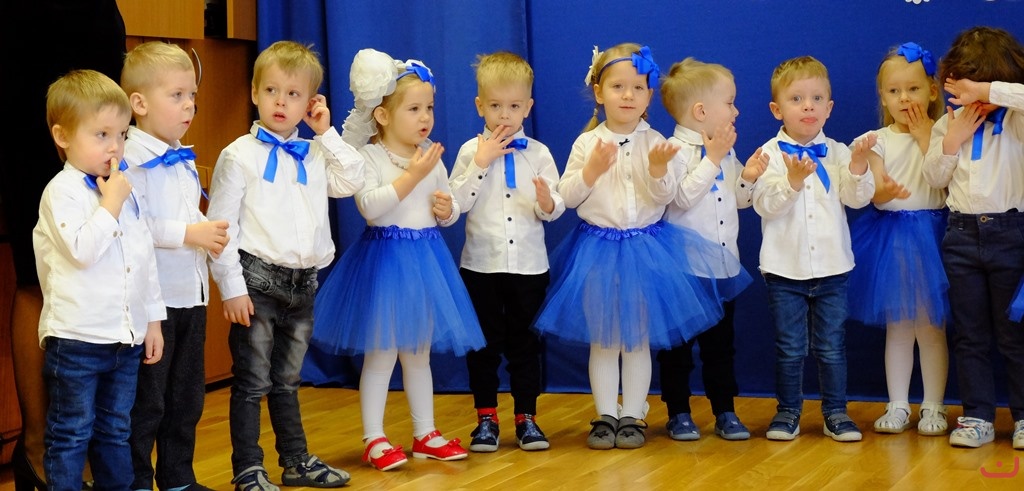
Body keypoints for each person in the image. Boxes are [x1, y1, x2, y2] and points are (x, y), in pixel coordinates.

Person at [532, 43, 724, 450]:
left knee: (636, 339)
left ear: (649, 95)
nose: (628, 95)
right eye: (617, 86)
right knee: (604, 339)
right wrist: (591, 170)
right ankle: (606, 414)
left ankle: (634, 413)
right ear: (599, 92)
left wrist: (657, 169)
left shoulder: (656, 140)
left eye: (638, 88)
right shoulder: (587, 142)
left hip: (645, 250)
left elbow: (666, 197)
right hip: (597, 250)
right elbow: (569, 196)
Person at [310, 48, 484, 472]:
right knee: (382, 353)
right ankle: (374, 437)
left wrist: (447, 209)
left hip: (425, 261)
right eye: (414, 109)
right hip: (386, 262)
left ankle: (425, 434)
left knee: (418, 353)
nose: (425, 117)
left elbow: (447, 206)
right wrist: (413, 176)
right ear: (383, 115)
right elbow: (371, 207)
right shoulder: (369, 157)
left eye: (429, 108)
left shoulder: (430, 155)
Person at [206, 40, 363, 489]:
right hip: (255, 282)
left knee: (288, 379)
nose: (281, 102)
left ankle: (295, 460)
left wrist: (325, 133)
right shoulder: (239, 155)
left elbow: (353, 179)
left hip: (304, 285)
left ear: (310, 102)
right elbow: (221, 228)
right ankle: (247, 468)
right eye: (271, 90)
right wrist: (231, 288)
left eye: (294, 94)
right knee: (252, 381)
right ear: (254, 93)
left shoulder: (314, 153)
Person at [4, 3, 126, 488]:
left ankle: (83, 448)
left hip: (93, 54)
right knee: (38, 274)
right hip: (26, 79)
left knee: (105, 252)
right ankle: (38, 447)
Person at [33, 69, 165, 491]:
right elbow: (82, 250)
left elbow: (143, 256)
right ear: (63, 136)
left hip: (124, 339)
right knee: (71, 432)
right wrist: (110, 205)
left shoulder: (122, 189)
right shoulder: (62, 192)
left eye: (122, 134)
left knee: (115, 431)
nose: (115, 147)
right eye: (102, 135)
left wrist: (152, 320)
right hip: (77, 339)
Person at [120, 41, 228, 491]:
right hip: (154, 304)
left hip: (191, 297)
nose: (189, 106)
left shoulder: (183, 157)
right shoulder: (129, 160)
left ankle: (178, 477)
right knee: (148, 401)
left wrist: (207, 234)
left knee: (186, 398)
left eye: (193, 96)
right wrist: (190, 233)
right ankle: (136, 481)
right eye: (177, 95)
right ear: (139, 103)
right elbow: (134, 225)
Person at [751, 56, 875, 443]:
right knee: (790, 348)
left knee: (831, 346)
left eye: (817, 98)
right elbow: (765, 206)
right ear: (777, 110)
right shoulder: (769, 154)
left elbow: (857, 198)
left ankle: (835, 412)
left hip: (833, 269)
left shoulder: (838, 152)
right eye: (797, 99)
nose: (808, 106)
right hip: (784, 270)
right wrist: (791, 181)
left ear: (829, 107)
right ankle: (788, 411)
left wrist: (858, 166)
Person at [448, 51, 565, 453]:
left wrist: (548, 201)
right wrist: (480, 163)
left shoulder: (539, 153)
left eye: (514, 106)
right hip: (481, 266)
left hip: (529, 267)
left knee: (525, 345)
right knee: (483, 345)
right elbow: (457, 204)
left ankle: (526, 417)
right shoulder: (470, 151)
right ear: (479, 105)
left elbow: (553, 208)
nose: (504, 115)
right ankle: (486, 419)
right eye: (495, 105)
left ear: (528, 107)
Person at [923, 26, 1024, 450]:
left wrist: (988, 91)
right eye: (963, 86)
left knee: (1015, 333)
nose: (971, 96)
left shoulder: (1017, 119)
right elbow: (934, 178)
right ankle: (978, 415)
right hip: (961, 235)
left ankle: (1022, 417)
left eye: (978, 85)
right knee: (969, 334)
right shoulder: (948, 123)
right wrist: (952, 141)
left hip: (1010, 234)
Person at [656, 58, 767, 441]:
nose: (736, 111)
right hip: (684, 271)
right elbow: (681, 198)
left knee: (721, 347)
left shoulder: (725, 151)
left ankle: (725, 410)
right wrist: (714, 158)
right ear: (701, 111)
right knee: (678, 348)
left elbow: (739, 201)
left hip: (722, 268)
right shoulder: (672, 150)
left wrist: (748, 178)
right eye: (730, 103)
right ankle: (678, 412)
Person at [846, 42, 951, 437]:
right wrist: (885, 191)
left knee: (932, 327)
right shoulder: (877, 140)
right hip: (891, 239)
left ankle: (934, 405)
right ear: (883, 97)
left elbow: (946, 183)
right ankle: (898, 404)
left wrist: (927, 137)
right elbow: (873, 192)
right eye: (894, 91)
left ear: (933, 91)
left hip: (934, 236)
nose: (904, 98)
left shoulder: (944, 132)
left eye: (913, 89)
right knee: (900, 326)